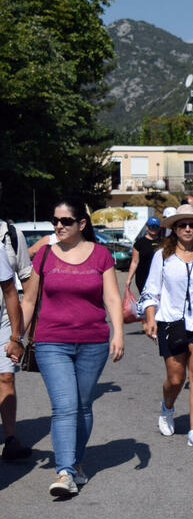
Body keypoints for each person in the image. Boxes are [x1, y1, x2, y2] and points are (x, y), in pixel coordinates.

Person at [20, 198, 125, 496]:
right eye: (55, 220)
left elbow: (112, 298)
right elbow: (29, 301)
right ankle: (64, 471)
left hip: (93, 342)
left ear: (81, 224)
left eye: (66, 221)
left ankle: (76, 463)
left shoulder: (101, 255)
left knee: (82, 405)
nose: (58, 226)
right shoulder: (44, 255)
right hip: (51, 341)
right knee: (65, 405)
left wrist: (118, 333)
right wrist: (17, 337)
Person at [140, 205, 193, 450]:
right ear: (175, 229)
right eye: (182, 225)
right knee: (176, 378)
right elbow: (150, 291)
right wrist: (150, 317)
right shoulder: (162, 257)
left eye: (192, 225)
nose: (187, 229)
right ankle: (167, 407)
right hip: (171, 321)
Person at [0, 194, 32, 461]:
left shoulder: (10, 234)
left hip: (4, 317)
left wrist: (18, 333)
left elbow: (22, 280)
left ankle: (10, 438)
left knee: (6, 376)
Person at [126, 216, 163, 295]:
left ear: (159, 228)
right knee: (146, 300)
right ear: (146, 227)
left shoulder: (164, 242)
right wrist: (129, 279)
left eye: (156, 226)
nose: (153, 228)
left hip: (159, 277)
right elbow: (134, 262)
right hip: (143, 277)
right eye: (151, 226)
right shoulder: (139, 243)